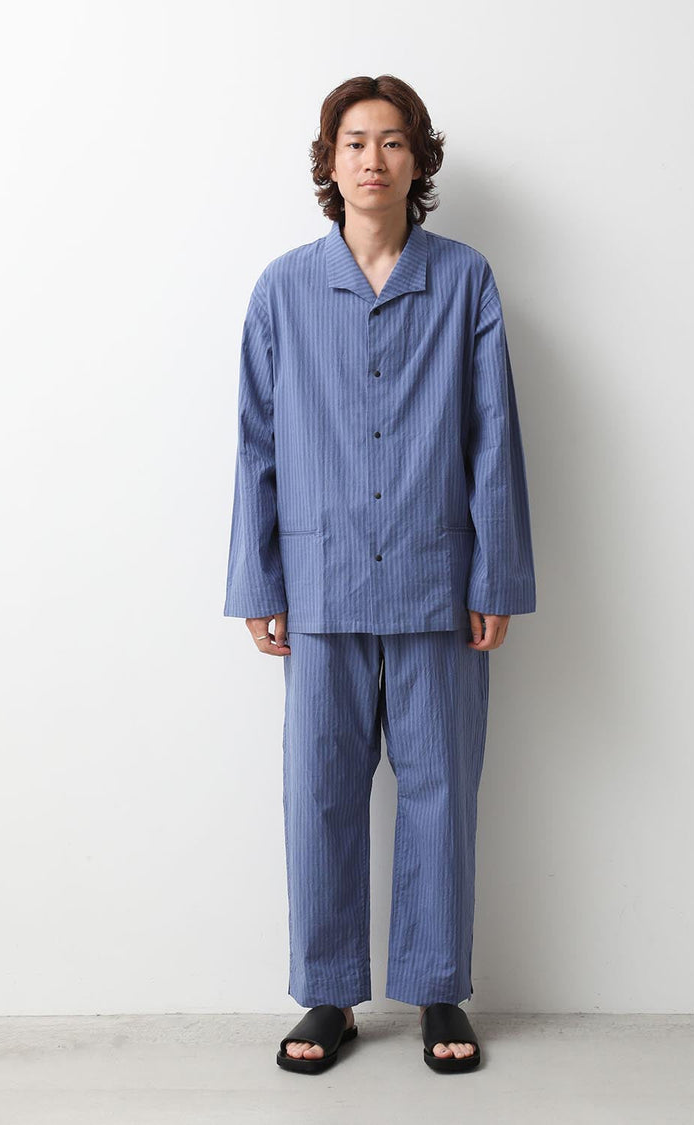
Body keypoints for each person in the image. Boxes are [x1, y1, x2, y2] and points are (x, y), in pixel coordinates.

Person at [223, 74, 536, 1073]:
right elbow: (256, 444)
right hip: (320, 587)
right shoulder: (282, 289)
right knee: (320, 792)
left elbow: (493, 437)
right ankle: (329, 996)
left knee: (441, 788)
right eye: (354, 141)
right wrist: (258, 582)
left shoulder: (465, 280)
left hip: (439, 582)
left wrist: (496, 577)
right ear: (329, 160)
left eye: (392, 141)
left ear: (417, 159)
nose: (372, 159)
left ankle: (440, 988)